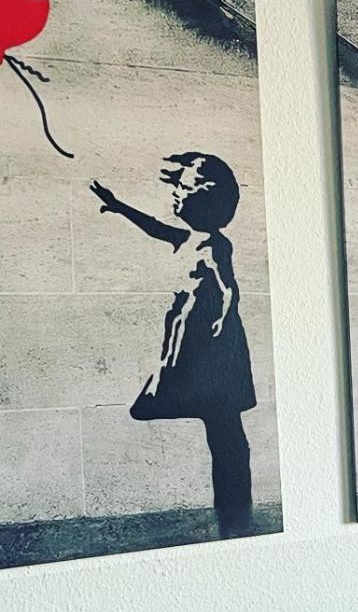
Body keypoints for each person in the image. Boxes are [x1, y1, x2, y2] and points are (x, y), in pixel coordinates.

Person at [90, 153, 256, 538]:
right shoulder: (188, 238)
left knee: (225, 428)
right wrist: (118, 206)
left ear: (204, 197)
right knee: (221, 426)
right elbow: (155, 227)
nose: (176, 194)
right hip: (190, 334)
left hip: (212, 342)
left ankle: (235, 513)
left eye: (184, 187)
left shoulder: (214, 245)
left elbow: (229, 288)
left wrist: (222, 318)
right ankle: (234, 511)